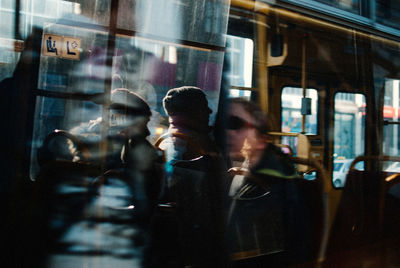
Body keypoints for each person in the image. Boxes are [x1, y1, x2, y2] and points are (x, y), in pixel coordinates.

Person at [225, 98, 310, 266]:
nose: (228, 131)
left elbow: (245, 246)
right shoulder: (249, 167)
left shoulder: (272, 184)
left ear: (262, 139)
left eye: (235, 124)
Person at [152, 86, 227, 268]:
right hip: (199, 234)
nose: (209, 111)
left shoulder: (164, 141)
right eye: (204, 106)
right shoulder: (200, 145)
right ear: (193, 111)